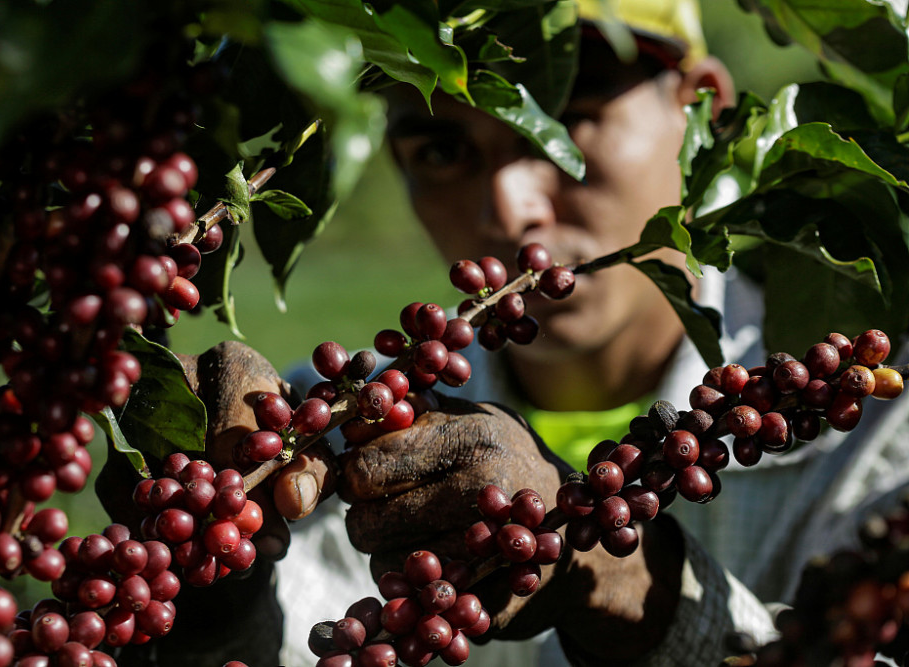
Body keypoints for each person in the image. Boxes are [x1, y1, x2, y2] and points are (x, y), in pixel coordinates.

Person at [271, 0, 909, 665]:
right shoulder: (320, 433)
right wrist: (223, 614)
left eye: (559, 128)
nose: (512, 208)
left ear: (703, 115)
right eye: (442, 150)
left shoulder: (876, 427)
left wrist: (639, 594)